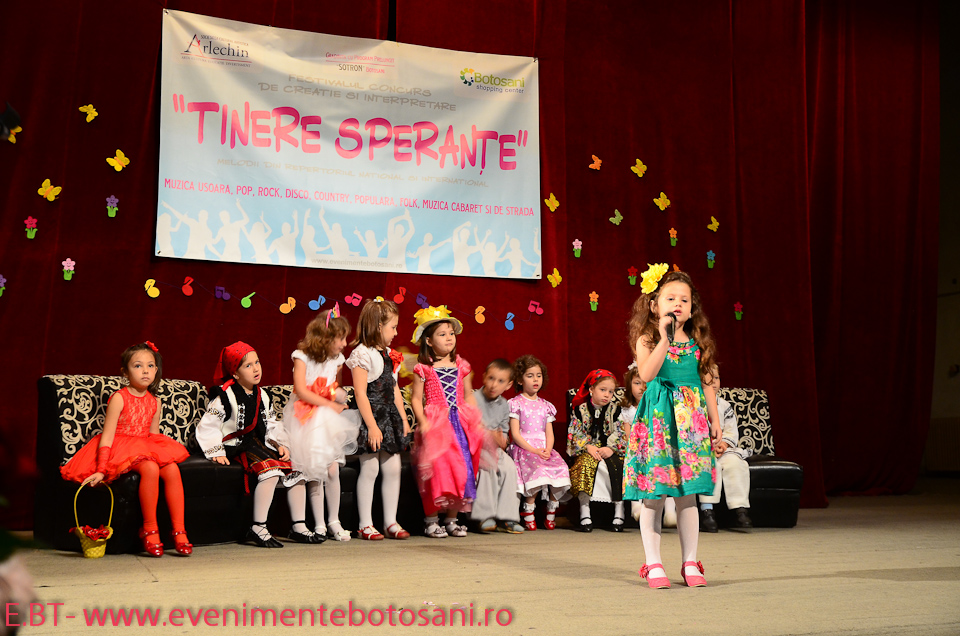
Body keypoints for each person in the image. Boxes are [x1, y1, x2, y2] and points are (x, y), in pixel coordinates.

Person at [624, 266, 722, 588]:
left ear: (692, 308)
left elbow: (707, 382)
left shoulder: (697, 341)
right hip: (659, 422)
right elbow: (647, 374)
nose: (677, 303)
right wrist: (665, 338)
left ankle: (690, 561)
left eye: (684, 299)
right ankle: (653, 563)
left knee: (687, 496)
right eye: (670, 298)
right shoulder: (648, 338)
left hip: (690, 424)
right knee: (654, 495)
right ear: (655, 305)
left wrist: (714, 419)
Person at [61, 342, 192, 557]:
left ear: (156, 370)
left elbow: (153, 436)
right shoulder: (119, 398)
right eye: (138, 366)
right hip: (120, 447)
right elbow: (107, 435)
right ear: (125, 372)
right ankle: (149, 528)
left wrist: (162, 455)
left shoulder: (155, 402)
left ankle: (179, 530)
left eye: (150, 366)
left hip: (144, 444)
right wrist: (101, 469)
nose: (145, 371)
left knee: (172, 469)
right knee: (150, 467)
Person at [196, 342, 322, 548]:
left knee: (297, 469)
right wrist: (215, 450)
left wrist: (280, 444)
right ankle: (258, 526)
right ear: (235, 373)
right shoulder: (225, 396)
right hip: (236, 445)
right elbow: (208, 425)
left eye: (257, 362)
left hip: (258, 444)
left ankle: (298, 525)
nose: (256, 369)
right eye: (248, 365)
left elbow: (271, 424)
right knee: (270, 471)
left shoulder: (262, 395)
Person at [282, 306, 360, 541]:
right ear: (326, 338)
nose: (345, 344)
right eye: (341, 338)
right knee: (315, 471)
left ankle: (334, 520)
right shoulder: (301, 356)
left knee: (333, 469)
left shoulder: (337, 360)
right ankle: (319, 524)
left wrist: (337, 395)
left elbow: (334, 386)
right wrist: (329, 403)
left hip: (326, 418)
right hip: (305, 417)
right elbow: (301, 390)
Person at [410, 306, 488, 538]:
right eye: (442, 334)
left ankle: (452, 519)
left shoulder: (461, 366)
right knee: (438, 471)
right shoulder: (423, 368)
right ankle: (431, 520)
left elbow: (468, 394)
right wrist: (423, 421)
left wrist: (475, 417)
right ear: (429, 341)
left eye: (451, 333)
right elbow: (416, 399)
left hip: (460, 423)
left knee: (461, 469)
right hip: (437, 424)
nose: (449, 338)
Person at [344, 298, 411, 540]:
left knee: (393, 468)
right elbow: (360, 393)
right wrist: (372, 426)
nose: (396, 332)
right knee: (370, 467)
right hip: (370, 417)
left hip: (388, 417)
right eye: (393, 327)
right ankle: (365, 524)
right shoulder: (362, 354)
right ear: (378, 326)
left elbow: (394, 389)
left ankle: (390, 522)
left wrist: (403, 419)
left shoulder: (390, 355)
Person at [507, 355, 570, 531]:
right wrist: (534, 450)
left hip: (543, 448)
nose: (535, 379)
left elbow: (549, 433)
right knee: (538, 469)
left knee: (561, 468)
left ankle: (551, 512)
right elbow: (515, 434)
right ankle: (528, 511)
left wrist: (548, 449)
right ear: (520, 380)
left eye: (539, 375)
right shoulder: (516, 404)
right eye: (530, 376)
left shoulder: (546, 406)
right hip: (525, 448)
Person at [469, 359, 525, 534]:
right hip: (475, 447)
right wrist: (487, 433)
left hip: (493, 447)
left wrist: (499, 439)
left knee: (509, 467)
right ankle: (484, 515)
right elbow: (469, 427)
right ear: (484, 377)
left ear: (508, 385)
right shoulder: (473, 399)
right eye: (491, 378)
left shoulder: (504, 405)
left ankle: (507, 517)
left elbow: (503, 437)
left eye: (501, 381)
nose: (494, 385)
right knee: (488, 465)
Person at [568, 369, 626, 532]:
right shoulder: (579, 410)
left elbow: (621, 432)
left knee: (617, 467)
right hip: (588, 450)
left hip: (610, 450)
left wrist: (611, 448)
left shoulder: (617, 410)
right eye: (603, 390)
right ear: (591, 389)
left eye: (611, 391)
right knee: (585, 465)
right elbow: (574, 434)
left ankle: (619, 510)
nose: (607, 395)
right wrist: (587, 446)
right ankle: (585, 510)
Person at [698, 368, 752, 532]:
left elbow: (731, 430)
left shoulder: (724, 405)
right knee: (710, 466)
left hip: (722, 449)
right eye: (708, 379)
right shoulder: (694, 404)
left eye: (716, 378)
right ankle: (707, 511)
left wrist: (724, 444)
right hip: (702, 451)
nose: (713, 382)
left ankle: (740, 509)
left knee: (736, 463)